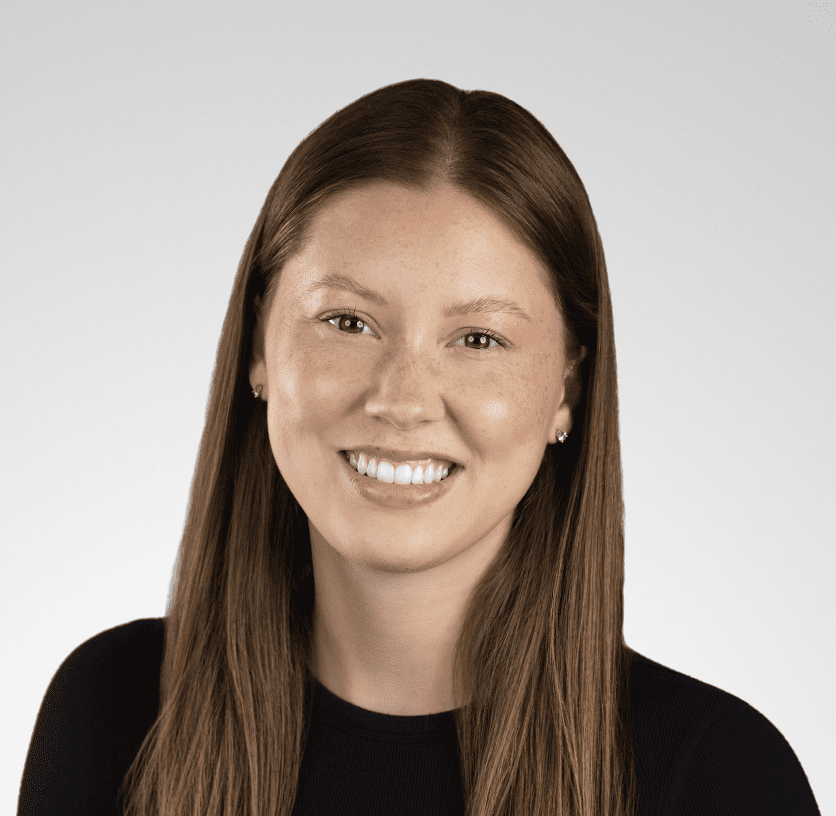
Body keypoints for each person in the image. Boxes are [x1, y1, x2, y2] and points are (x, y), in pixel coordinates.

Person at [17, 78, 821, 816]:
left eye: (477, 338)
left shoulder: (719, 777)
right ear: (260, 347)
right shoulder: (113, 712)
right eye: (348, 323)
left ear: (568, 389)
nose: (400, 399)